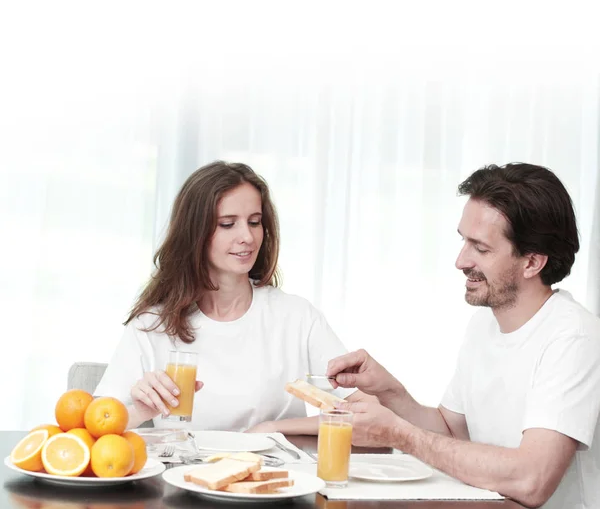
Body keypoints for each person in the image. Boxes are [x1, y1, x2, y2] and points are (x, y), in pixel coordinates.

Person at [327, 163, 600, 509]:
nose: (460, 260)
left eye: (480, 249)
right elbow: (452, 432)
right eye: (463, 241)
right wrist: (389, 392)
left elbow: (532, 480)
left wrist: (397, 434)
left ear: (532, 262)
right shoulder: (484, 326)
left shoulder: (573, 338)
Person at [95, 160, 366, 433]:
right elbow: (95, 430)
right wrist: (141, 410)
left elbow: (367, 415)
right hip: (182, 474)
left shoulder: (296, 317)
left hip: (275, 472)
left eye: (255, 222)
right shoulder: (151, 325)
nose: (247, 236)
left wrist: (273, 428)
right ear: (194, 233)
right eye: (227, 224)